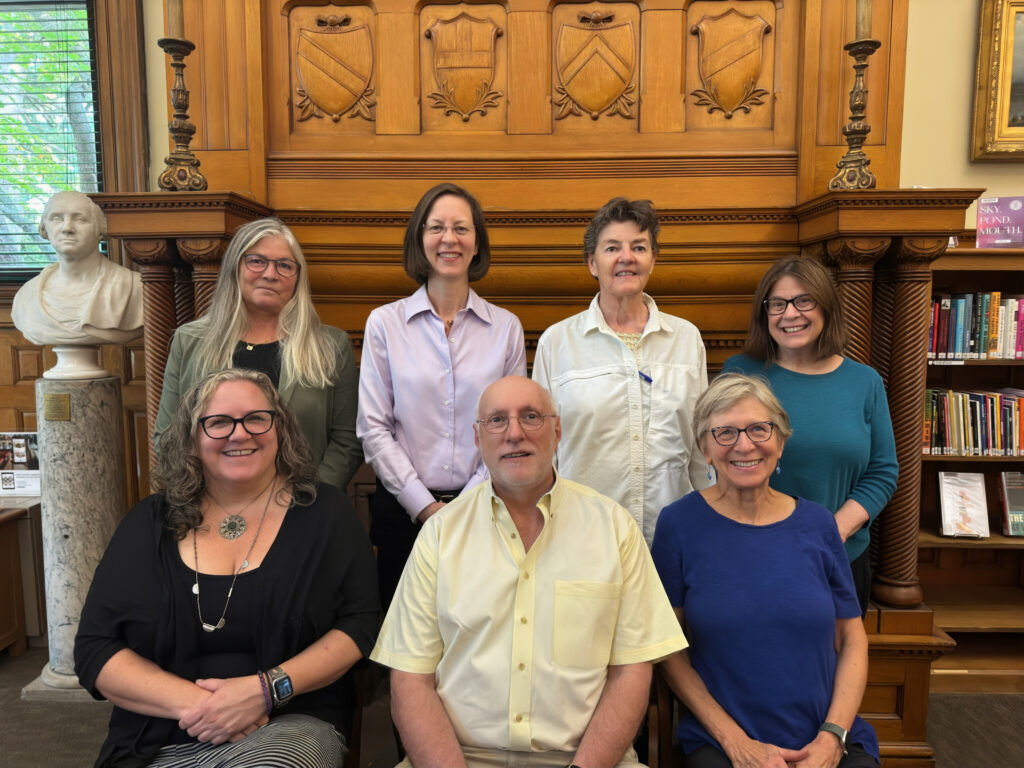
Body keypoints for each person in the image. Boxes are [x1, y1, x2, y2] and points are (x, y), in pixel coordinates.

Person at [371, 376, 687, 768]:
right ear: (477, 438)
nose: (515, 433)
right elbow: (409, 678)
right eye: (497, 420)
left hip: (587, 760)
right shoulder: (440, 533)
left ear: (557, 431)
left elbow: (632, 671)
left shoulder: (614, 528)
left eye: (531, 417)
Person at [75, 369, 379, 768]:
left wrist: (265, 691)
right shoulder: (148, 523)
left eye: (256, 418)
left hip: (287, 725)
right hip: (156, 734)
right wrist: (207, 707)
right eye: (218, 422)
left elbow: (360, 624)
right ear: (191, 437)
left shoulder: (327, 515)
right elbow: (96, 647)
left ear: (280, 427)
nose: (240, 434)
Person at [651, 373, 879, 768]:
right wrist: (735, 741)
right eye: (724, 433)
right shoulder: (678, 525)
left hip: (824, 734)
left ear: (782, 439)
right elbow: (669, 650)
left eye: (759, 428)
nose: (744, 444)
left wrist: (833, 736)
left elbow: (852, 637)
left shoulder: (819, 524)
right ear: (705, 448)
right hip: (722, 741)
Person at [357, 183, 526, 608]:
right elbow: (373, 428)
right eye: (437, 227)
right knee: (408, 649)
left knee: (481, 640)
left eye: (461, 228)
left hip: (488, 509)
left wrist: (465, 506)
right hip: (402, 513)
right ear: (420, 238)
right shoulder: (385, 324)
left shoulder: (506, 328)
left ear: (476, 242)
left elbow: (511, 429)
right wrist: (426, 508)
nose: (449, 238)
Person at [722, 256, 898, 610]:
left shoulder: (864, 382)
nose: (790, 314)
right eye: (777, 303)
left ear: (826, 306)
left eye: (804, 301)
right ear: (764, 313)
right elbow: (720, 457)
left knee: (836, 662)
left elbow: (883, 471)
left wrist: (833, 531)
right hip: (752, 554)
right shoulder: (740, 372)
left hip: (839, 556)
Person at [532, 197, 709, 545]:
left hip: (673, 538)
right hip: (584, 538)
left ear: (652, 260)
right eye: (612, 247)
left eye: (639, 247)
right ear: (592, 263)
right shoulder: (557, 342)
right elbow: (543, 450)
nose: (626, 257)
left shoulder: (687, 339)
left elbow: (702, 449)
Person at [154, 217, 362, 491]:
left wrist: (311, 499)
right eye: (257, 261)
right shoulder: (189, 341)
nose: (270, 274)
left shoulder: (330, 345)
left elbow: (348, 441)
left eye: (284, 265)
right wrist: (202, 496)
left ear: (298, 278)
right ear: (235, 268)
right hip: (209, 505)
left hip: (303, 505)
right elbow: (167, 436)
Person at [12, 190, 143, 346]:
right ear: (44, 228)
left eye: (80, 219)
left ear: (100, 229)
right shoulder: (27, 296)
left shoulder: (135, 288)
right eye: (56, 218)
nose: (67, 228)